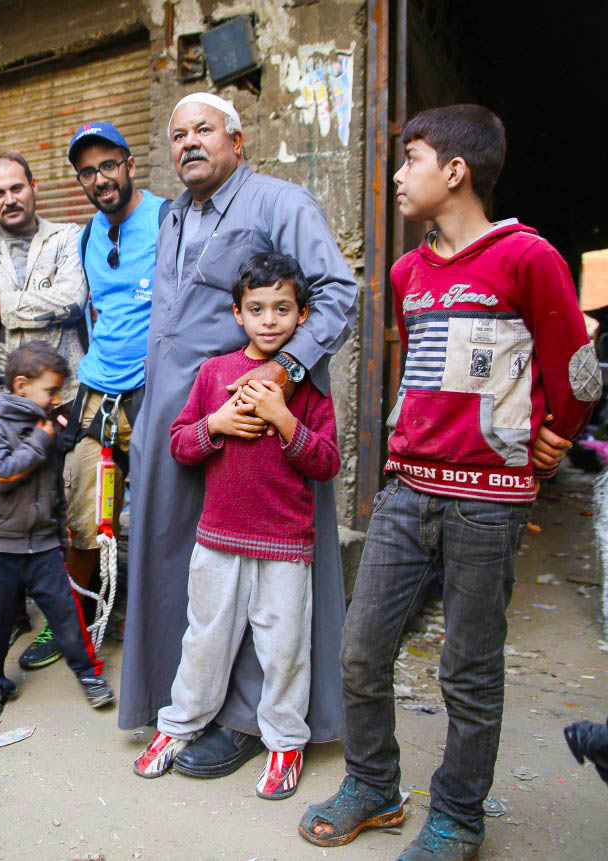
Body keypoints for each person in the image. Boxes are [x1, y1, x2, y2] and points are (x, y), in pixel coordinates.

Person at [299, 105, 598, 859]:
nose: (399, 175)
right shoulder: (408, 272)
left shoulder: (527, 257)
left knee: (469, 668)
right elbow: (425, 374)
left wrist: (557, 431)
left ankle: (459, 817)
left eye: (412, 159)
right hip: (407, 490)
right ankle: (373, 784)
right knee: (361, 650)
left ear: (456, 170)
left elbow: (576, 367)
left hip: (488, 503)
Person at [120, 93, 359, 781]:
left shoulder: (279, 202)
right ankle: (181, 703)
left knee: (266, 574)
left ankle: (249, 719)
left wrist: (281, 374)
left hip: (254, 422)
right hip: (181, 415)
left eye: (204, 130)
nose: (189, 143)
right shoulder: (172, 215)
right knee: (189, 570)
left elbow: (336, 293)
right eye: (177, 135)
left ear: (237, 139)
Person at [132, 253, 339, 802]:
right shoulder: (214, 374)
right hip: (218, 540)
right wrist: (216, 423)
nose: (270, 320)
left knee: (285, 649)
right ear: (238, 314)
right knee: (204, 640)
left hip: (285, 545)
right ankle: (179, 725)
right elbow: (180, 445)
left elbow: (326, 463)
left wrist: (284, 420)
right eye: (258, 308)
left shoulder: (309, 386)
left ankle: (286, 743)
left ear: (302, 315)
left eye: (283, 309)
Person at [15, 121, 163, 669]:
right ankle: (68, 625)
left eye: (107, 166)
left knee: (159, 517)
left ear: (128, 164)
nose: (99, 179)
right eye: (86, 172)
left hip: (155, 393)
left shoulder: (170, 219)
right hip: (98, 394)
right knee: (81, 517)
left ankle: (156, 626)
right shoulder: (87, 236)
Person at [0, 151, 89, 658]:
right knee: (4, 509)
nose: (9, 199)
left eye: (17, 188)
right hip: (2, 405)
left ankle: (64, 618)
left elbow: (72, 298)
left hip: (65, 399)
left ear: (34, 187)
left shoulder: (68, 237)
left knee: (63, 505)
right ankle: (8, 615)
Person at [0, 341, 113, 720]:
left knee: (67, 614)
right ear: (21, 385)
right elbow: (0, 474)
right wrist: (40, 440)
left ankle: (88, 673)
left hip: (43, 545)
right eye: (50, 391)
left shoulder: (45, 428)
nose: (56, 399)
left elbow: (53, 488)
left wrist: (61, 535)